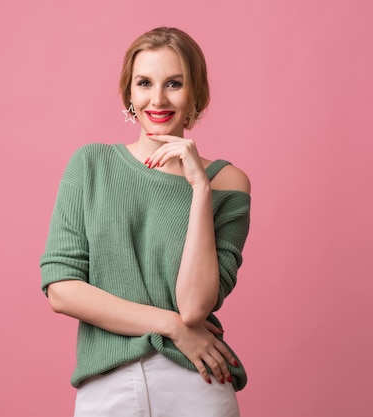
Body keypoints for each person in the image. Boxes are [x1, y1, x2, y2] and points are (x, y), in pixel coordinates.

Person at [40, 26, 251, 417]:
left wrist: (199, 190)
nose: (158, 99)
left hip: (197, 383)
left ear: (195, 94)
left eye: (174, 83)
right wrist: (170, 326)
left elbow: (194, 308)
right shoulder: (91, 165)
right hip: (107, 385)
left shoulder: (227, 182)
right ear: (129, 94)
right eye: (144, 83)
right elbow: (62, 290)